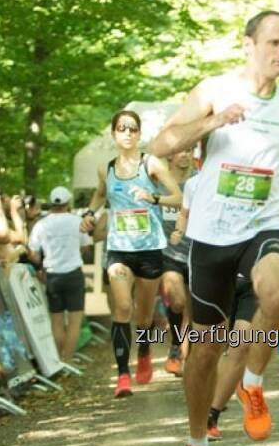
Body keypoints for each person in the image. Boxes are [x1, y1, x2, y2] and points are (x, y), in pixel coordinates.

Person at [153, 10, 279, 446]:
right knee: (204, 352)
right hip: (210, 234)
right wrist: (210, 123)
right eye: (274, 43)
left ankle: (253, 384)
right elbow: (163, 142)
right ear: (248, 45)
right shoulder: (213, 91)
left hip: (263, 225)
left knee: (278, 294)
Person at [82, 109, 182, 398]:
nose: (127, 133)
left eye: (132, 129)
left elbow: (177, 196)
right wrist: (90, 212)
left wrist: (153, 198)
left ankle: (146, 350)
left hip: (150, 249)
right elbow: (101, 193)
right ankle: (123, 375)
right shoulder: (107, 168)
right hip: (118, 249)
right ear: (114, 133)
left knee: (144, 315)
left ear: (139, 134)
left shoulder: (151, 163)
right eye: (122, 128)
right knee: (123, 307)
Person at [205, 168, 279, 439]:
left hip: (259, 273)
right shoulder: (219, 173)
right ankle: (208, 402)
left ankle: (213, 414)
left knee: (240, 347)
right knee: (212, 348)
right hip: (223, 272)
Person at [28, 186, 90, 363]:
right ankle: (67, 360)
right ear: (67, 203)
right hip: (73, 274)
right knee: (74, 321)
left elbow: (33, 253)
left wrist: (40, 265)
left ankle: (58, 360)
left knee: (56, 321)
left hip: (53, 276)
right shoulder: (77, 221)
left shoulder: (41, 224)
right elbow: (86, 246)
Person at [160, 148, 197, 376]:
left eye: (190, 150)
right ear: (170, 155)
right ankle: (175, 344)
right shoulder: (159, 184)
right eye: (180, 151)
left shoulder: (201, 182)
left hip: (197, 253)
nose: (185, 154)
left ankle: (188, 358)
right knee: (177, 301)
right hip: (168, 254)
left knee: (194, 314)